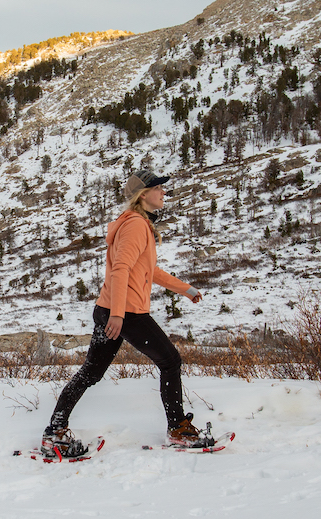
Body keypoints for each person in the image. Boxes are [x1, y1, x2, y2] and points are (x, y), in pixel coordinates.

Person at [42, 171, 207, 459]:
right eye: (158, 189)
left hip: (110, 309)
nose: (163, 193)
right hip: (126, 313)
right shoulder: (135, 226)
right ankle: (178, 429)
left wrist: (186, 289)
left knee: (90, 373)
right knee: (170, 361)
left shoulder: (139, 224)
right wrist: (118, 315)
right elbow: (121, 269)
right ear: (143, 195)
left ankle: (53, 433)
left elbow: (148, 271)